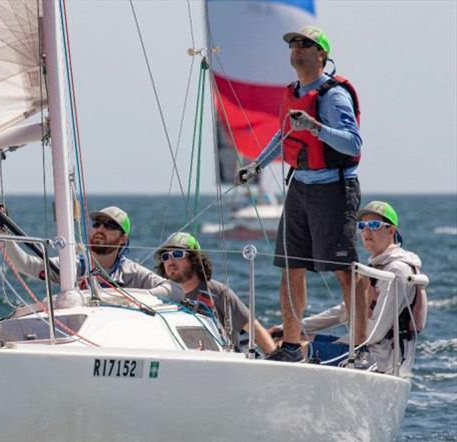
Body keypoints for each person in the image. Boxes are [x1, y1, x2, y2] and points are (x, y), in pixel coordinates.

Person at [236, 25, 365, 362]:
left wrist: (316, 127)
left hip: (333, 189)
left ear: (321, 54)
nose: (296, 48)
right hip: (300, 187)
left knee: (343, 269)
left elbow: (353, 143)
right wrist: (257, 166)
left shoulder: (333, 95)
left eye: (305, 44)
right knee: (290, 266)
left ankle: (362, 346)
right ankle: (292, 345)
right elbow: (282, 137)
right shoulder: (291, 92)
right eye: (293, 43)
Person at [272, 201, 427, 372]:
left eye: (374, 225)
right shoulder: (377, 267)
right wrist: (288, 328)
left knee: (292, 349)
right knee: (290, 338)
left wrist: (323, 345)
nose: (366, 231)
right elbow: (344, 312)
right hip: (365, 348)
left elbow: (375, 331)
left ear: (391, 231)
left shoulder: (397, 271)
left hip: (381, 359)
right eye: (362, 225)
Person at [0, 205, 184, 300]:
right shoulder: (76, 268)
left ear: (122, 239)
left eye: (109, 225)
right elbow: (25, 265)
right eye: (97, 224)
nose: (100, 229)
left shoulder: (132, 274)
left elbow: (176, 291)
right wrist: (1, 232)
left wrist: (141, 296)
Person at [154, 232, 277, 354]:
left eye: (177, 254)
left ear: (194, 259)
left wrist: (274, 359)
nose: (170, 261)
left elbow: (255, 330)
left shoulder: (218, 292)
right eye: (165, 257)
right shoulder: (160, 296)